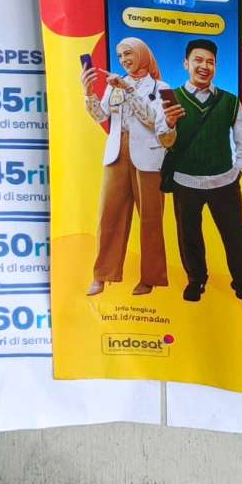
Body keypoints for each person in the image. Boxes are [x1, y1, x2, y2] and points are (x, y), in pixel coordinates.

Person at [160, 39, 242, 309]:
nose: (204, 66)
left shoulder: (230, 101)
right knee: (188, 235)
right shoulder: (170, 99)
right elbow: (163, 142)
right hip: (185, 180)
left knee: (236, 236)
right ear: (186, 64)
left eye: (210, 62)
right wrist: (169, 123)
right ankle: (196, 281)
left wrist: (237, 171)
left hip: (224, 182)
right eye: (198, 60)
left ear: (216, 66)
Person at [82, 38, 174, 297]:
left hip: (149, 157)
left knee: (151, 218)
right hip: (116, 153)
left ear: (143, 54)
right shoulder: (114, 84)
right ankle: (102, 275)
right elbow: (101, 116)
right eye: (120, 56)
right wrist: (89, 92)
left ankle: (151, 278)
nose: (123, 60)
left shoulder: (162, 88)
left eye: (128, 54)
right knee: (108, 215)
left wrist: (129, 90)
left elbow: (153, 121)